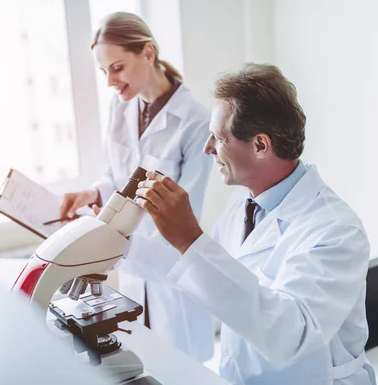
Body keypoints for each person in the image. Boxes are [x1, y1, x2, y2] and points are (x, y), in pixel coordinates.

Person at [132, 63, 376, 384]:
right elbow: (210, 277)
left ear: (261, 145)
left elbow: (292, 335)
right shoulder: (246, 205)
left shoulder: (336, 231)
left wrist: (190, 237)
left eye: (218, 138)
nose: (208, 148)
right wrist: (120, 241)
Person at [59, 12, 214, 361]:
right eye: (104, 72)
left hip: (173, 277)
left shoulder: (195, 123)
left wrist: (116, 242)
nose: (111, 81)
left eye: (117, 68)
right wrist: (94, 193)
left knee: (181, 368)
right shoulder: (121, 106)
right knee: (143, 361)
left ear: (147, 53)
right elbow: (115, 176)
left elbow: (184, 219)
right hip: (132, 276)